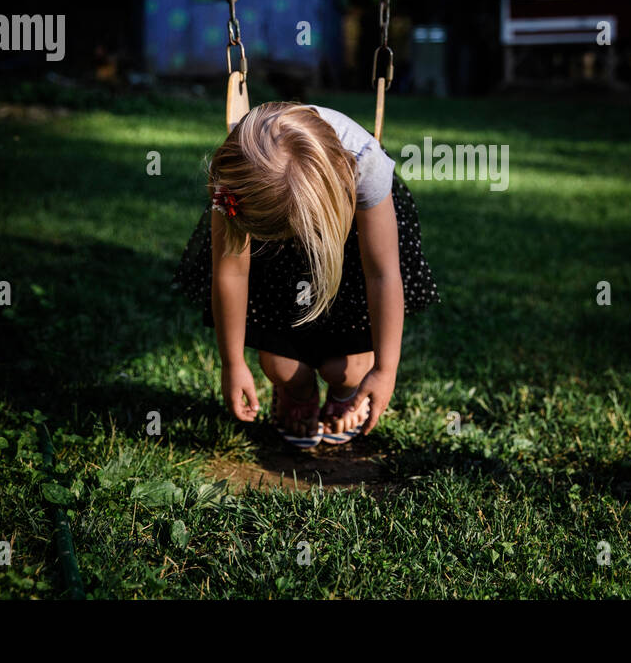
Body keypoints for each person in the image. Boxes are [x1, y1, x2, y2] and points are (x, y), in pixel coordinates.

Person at [172, 102, 438, 448]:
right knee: (282, 366)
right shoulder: (236, 175)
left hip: (352, 240)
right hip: (276, 236)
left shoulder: (365, 164)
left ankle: (346, 391)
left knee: (346, 368)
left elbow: (382, 274)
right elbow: (233, 271)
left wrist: (385, 371)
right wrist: (232, 363)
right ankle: (295, 392)